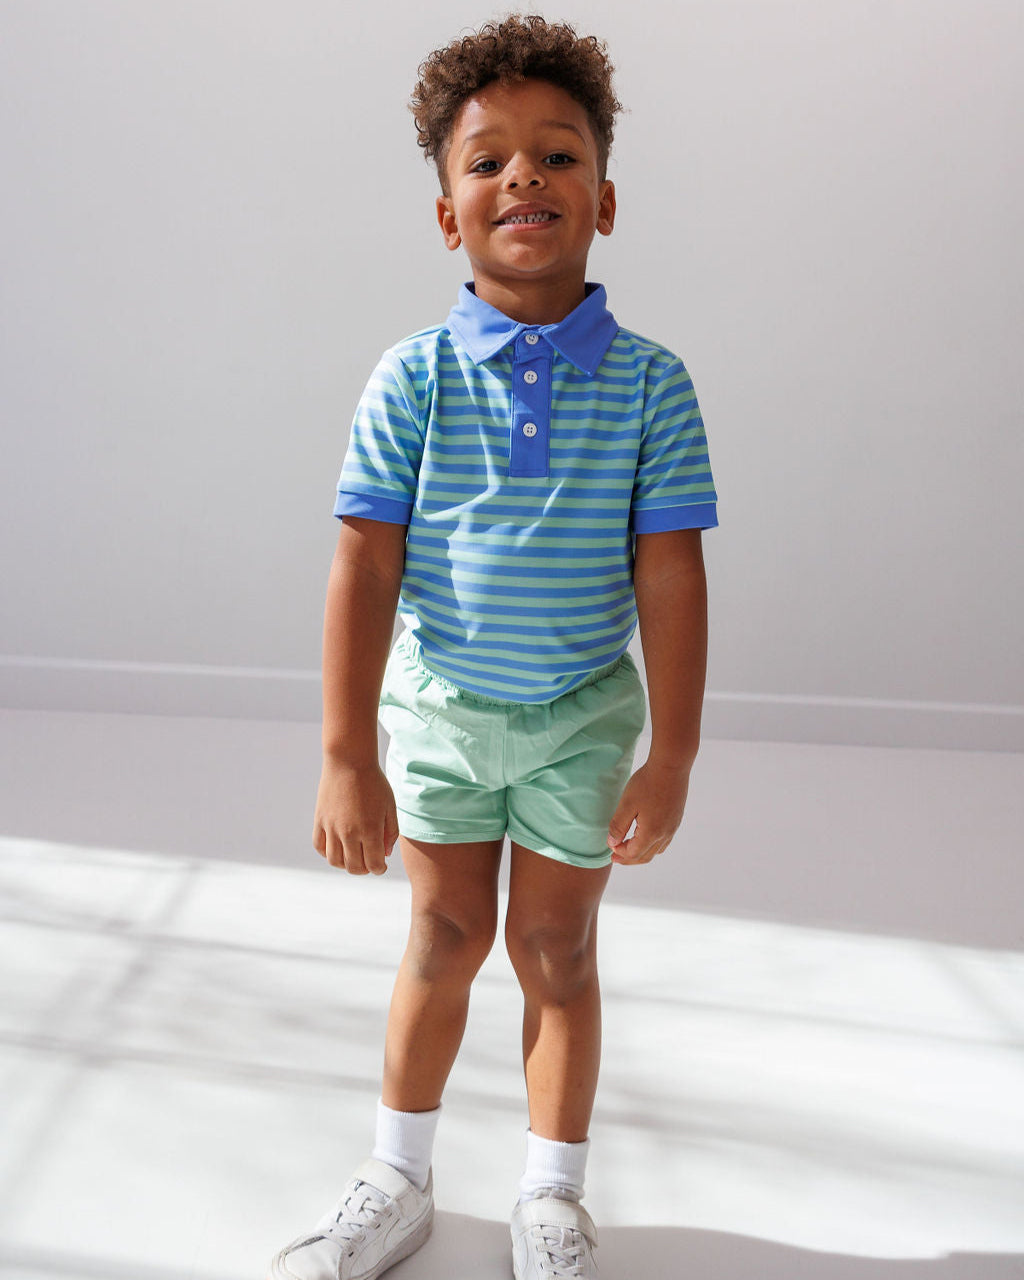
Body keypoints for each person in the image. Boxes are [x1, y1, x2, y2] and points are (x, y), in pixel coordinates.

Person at [268, 14, 716, 1280]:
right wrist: (345, 752)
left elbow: (671, 573)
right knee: (444, 935)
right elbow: (365, 565)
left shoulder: (653, 384)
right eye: (489, 160)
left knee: (556, 950)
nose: (525, 176)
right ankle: (396, 1176)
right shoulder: (411, 377)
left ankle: (552, 1196)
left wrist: (673, 753)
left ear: (604, 202)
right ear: (446, 214)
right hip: (443, 712)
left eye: (559, 156)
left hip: (582, 716)